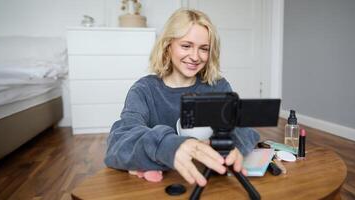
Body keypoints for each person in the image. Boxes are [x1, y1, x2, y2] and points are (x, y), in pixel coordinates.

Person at [104, 9, 260, 187]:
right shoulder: (144, 90)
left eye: (204, 49)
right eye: (186, 46)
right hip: (160, 186)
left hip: (210, 182)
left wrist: (235, 146)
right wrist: (169, 146)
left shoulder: (218, 86)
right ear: (167, 45)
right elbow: (120, 140)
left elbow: (244, 127)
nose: (195, 57)